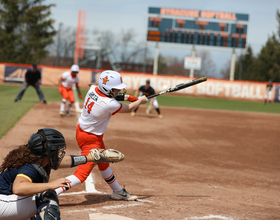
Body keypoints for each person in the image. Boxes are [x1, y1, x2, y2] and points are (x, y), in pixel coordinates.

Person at [54, 70, 148, 201]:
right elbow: (129, 108)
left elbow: (113, 96)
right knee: (81, 175)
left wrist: (130, 97)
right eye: (115, 89)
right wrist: (140, 101)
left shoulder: (94, 88)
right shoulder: (110, 104)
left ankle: (118, 191)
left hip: (83, 132)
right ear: (107, 88)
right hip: (91, 140)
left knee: (103, 163)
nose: (117, 91)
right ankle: (52, 191)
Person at [0, 128, 101, 220]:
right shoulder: (30, 168)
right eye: (57, 150)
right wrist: (50, 185)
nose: (59, 153)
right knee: (47, 197)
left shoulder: (38, 158)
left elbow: (66, 161)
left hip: (5, 201)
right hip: (2, 203)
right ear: (49, 152)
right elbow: (18, 188)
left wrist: (89, 158)